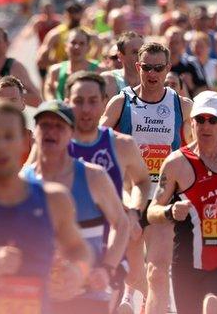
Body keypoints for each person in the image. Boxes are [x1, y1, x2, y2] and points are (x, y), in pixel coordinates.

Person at [101, 42, 193, 314]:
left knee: (158, 270)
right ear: (137, 67)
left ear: (167, 69)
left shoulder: (181, 104)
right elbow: (95, 141)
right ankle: (141, 298)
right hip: (130, 196)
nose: (152, 74)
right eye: (147, 68)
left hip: (163, 198)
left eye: (158, 68)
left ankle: (154, 305)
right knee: (134, 271)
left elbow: (202, 147)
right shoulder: (121, 102)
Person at [147, 91, 217, 314]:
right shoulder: (177, 163)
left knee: (214, 307)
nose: (206, 126)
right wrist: (169, 211)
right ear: (192, 121)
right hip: (188, 259)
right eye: (200, 119)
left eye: (213, 120)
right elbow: (152, 211)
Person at [0, 100, 92, 313]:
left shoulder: (53, 199)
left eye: (9, 136)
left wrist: (78, 273)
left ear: (24, 141)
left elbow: (78, 249)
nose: (1, 145)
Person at [24, 100, 130, 314]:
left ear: (71, 133)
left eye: (59, 126)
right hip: (38, 297)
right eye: (45, 125)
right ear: (34, 132)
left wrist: (107, 268)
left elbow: (121, 223)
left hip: (87, 295)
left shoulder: (94, 176)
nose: (51, 132)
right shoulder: (22, 182)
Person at [62, 71, 151, 313]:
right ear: (67, 102)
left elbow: (143, 181)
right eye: (78, 101)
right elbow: (27, 183)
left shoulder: (121, 144)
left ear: (104, 102)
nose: (86, 109)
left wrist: (134, 211)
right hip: (63, 251)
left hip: (108, 250)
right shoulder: (53, 145)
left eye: (93, 101)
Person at [0, 27, 42, 106]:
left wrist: (9, 93)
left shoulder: (14, 67)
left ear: (7, 43)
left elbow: (37, 100)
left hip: (8, 117)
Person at [44, 28, 101, 101]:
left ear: (88, 48)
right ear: (65, 46)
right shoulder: (55, 71)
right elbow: (48, 89)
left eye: (82, 43)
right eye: (73, 43)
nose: (77, 47)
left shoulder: (99, 71)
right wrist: (53, 103)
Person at [0, 76, 33, 165]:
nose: (8, 106)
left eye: (13, 100)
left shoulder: (34, 144)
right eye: (2, 101)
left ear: (23, 103)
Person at [102, 31, 144, 96]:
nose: (140, 56)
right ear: (120, 56)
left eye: (142, 51)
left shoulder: (153, 79)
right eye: (135, 52)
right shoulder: (109, 80)